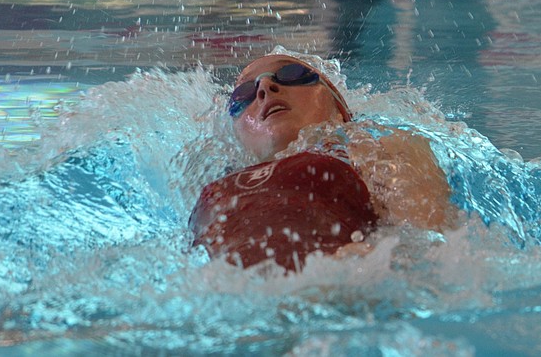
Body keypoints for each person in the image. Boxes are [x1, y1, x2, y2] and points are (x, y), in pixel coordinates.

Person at [188, 50, 457, 273]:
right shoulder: (212, 182)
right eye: (243, 94)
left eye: (291, 75)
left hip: (331, 289)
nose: (264, 88)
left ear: (341, 109)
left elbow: (427, 243)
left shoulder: (376, 147)